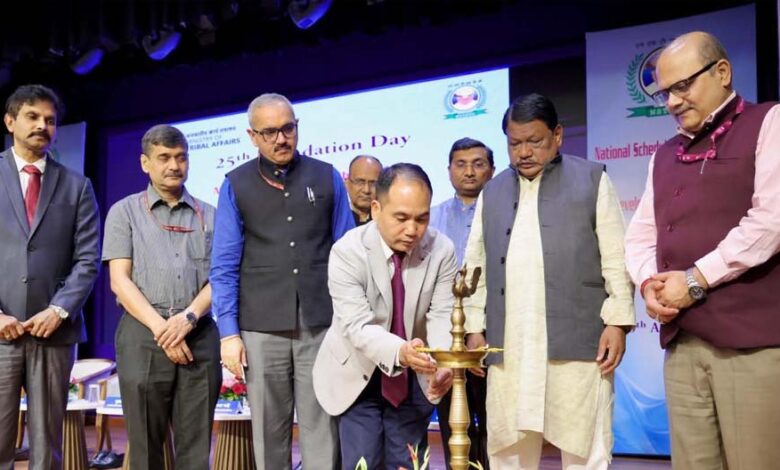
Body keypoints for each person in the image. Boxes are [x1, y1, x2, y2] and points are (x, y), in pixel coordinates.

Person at [624, 31, 780, 470]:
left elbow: (770, 221)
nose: (672, 102)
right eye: (665, 93)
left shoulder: (769, 123)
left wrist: (694, 280)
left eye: (682, 86)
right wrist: (649, 284)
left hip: (751, 345)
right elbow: (640, 235)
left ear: (722, 72)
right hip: (683, 344)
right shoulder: (663, 154)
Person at [463, 93, 635, 469]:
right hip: (510, 342)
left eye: (534, 141)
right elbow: (475, 265)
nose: (524, 152)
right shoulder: (492, 191)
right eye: (514, 143)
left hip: (578, 339)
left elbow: (616, 259)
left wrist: (618, 322)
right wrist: (474, 327)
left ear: (557, 135)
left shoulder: (592, 180)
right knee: (508, 447)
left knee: (585, 446)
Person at [211, 93, 354, 469]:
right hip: (260, 328)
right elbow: (224, 265)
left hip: (321, 324)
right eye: (269, 132)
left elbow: (347, 255)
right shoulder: (235, 184)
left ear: (297, 127)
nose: (281, 139)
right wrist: (228, 334)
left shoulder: (327, 176)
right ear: (252, 136)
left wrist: (349, 322)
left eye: (288, 128)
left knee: (322, 428)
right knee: (267, 432)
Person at [313, 163, 456, 470]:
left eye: (422, 218)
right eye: (401, 218)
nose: (413, 230)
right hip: (357, 374)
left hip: (413, 377)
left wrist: (443, 362)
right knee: (363, 461)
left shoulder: (442, 250)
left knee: (409, 463)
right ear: (376, 209)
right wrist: (400, 351)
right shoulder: (347, 251)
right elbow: (357, 326)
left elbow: (442, 313)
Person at [102, 125, 220, 469]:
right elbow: (119, 281)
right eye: (164, 157)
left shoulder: (212, 215)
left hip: (198, 333)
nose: (174, 166)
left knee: (196, 448)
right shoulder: (124, 212)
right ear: (145, 163)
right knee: (144, 448)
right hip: (143, 334)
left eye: (181, 157)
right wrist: (163, 329)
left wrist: (187, 319)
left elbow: (221, 278)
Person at [0, 84, 100, 469]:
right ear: (10, 122)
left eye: (50, 120)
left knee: (48, 446)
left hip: (54, 332)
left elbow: (88, 259)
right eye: (32, 117)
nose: (43, 125)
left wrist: (58, 310)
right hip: (1, 332)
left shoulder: (77, 185)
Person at [429, 137, 494, 468]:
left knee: (494, 422)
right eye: (461, 164)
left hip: (492, 334)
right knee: (452, 420)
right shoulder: (431, 219)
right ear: (449, 170)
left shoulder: (504, 215)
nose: (469, 171)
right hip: (446, 335)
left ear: (492, 170)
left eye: (478, 164)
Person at [346, 154, 382, 226]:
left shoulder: (387, 219)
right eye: (360, 182)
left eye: (373, 183)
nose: (366, 190)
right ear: (347, 184)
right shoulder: (337, 218)